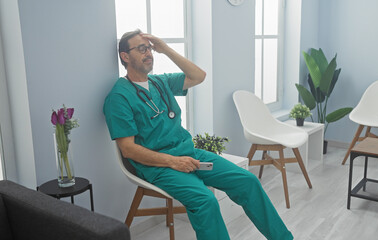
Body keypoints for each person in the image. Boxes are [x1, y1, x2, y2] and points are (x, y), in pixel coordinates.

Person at [103, 29, 294, 240]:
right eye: (141, 49)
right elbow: (128, 150)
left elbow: (198, 76)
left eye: (149, 48)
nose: (148, 53)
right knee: (206, 201)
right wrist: (173, 162)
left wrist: (165, 48)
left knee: (248, 181)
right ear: (125, 56)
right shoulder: (119, 97)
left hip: (189, 152)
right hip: (158, 166)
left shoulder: (160, 82)